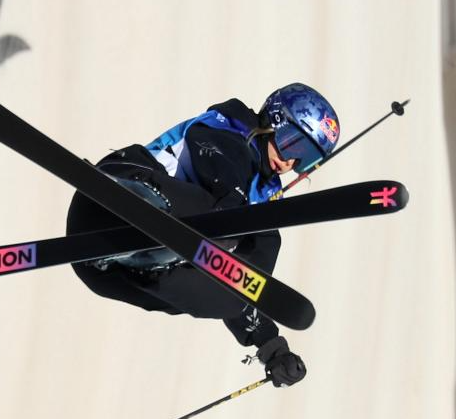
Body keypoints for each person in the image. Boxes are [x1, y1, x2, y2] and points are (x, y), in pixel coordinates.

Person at [66, 83, 341, 387]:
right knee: (221, 221)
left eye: (306, 160)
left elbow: (236, 276)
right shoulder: (228, 127)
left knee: (234, 293)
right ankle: (143, 213)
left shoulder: (260, 205)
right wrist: (241, 209)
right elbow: (216, 159)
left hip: (104, 272)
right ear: (275, 121)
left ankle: (144, 260)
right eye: (295, 146)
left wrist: (271, 345)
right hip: (105, 204)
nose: (291, 163)